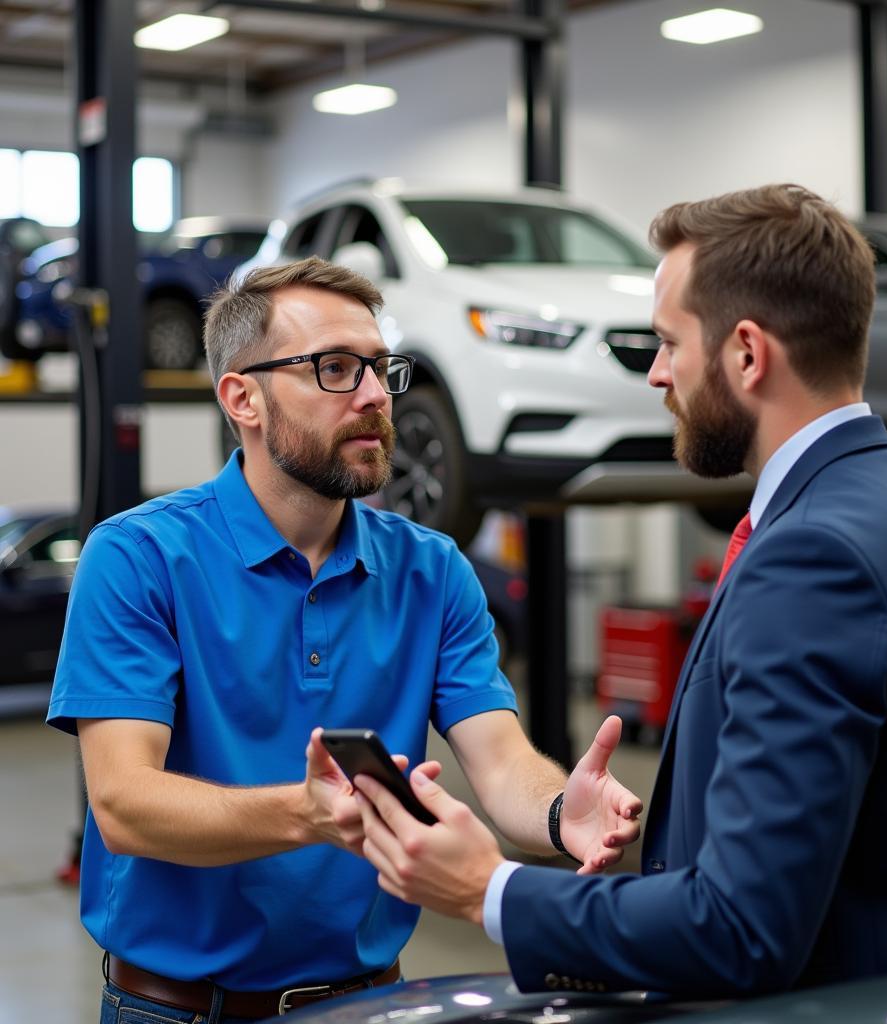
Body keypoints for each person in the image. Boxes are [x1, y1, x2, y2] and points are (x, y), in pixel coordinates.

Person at [353, 184, 887, 998]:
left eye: (669, 343)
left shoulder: (813, 558)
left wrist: (488, 889)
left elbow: (740, 929)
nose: (658, 374)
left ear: (746, 353)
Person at [45, 256, 643, 1023]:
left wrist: (563, 811)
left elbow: (501, 764)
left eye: (379, 368)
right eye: (333, 368)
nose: (371, 395)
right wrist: (309, 812)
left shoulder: (431, 570)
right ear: (243, 399)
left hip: (373, 1004)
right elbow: (126, 803)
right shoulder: (139, 558)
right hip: (180, 1011)